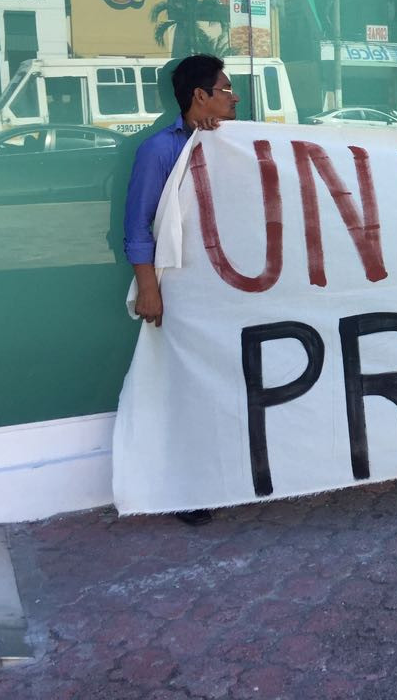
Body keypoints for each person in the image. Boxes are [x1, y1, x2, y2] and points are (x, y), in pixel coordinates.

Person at [123, 54, 238, 525]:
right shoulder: (158, 150)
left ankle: (226, 475)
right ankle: (184, 488)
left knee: (224, 383)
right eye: (226, 88)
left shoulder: (233, 143)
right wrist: (149, 290)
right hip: (181, 288)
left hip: (226, 289)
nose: (234, 97)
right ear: (200, 96)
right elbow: (137, 226)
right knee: (184, 388)